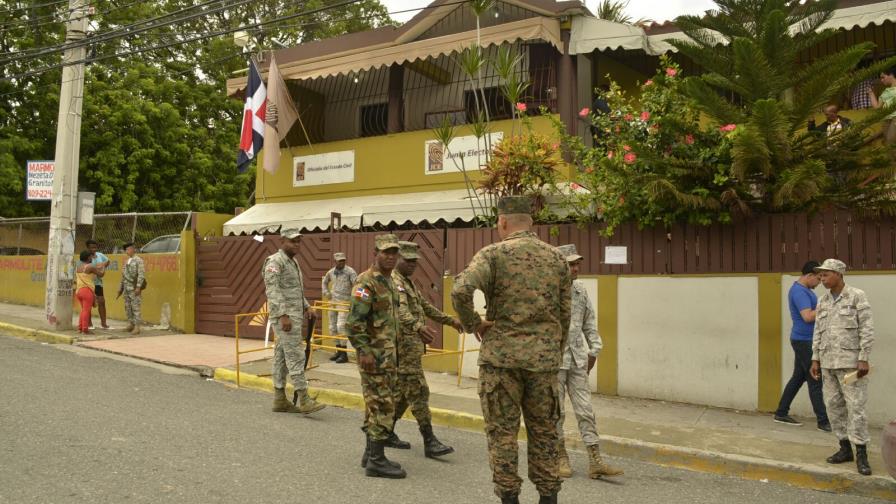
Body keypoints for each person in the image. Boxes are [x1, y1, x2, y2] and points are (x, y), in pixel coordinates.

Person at [452, 196, 572, 504]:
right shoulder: (557, 259)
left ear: (503, 222)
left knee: (503, 435)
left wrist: (474, 324)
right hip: (543, 363)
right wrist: (552, 350)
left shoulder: (492, 255)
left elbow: (461, 290)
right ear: (531, 223)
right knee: (545, 433)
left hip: (501, 362)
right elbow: (564, 314)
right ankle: (548, 498)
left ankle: (509, 498)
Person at [553, 244, 623, 480]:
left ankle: (595, 460)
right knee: (556, 412)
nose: (576, 268)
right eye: (571, 264)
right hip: (553, 363)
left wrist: (594, 351)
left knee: (586, 411)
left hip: (577, 361)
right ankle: (560, 457)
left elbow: (589, 323)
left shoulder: (581, 291)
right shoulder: (548, 292)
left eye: (577, 264)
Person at [390, 240, 462, 458]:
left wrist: (450, 320)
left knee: (403, 394)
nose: (412, 265)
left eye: (415, 261)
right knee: (420, 391)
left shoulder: (407, 282)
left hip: (411, 348)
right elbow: (401, 311)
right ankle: (429, 441)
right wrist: (418, 326)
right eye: (408, 260)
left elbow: (425, 306)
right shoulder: (395, 283)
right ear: (397, 259)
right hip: (403, 348)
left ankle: (383, 431)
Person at [346, 233, 406, 479]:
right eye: (385, 252)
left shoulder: (389, 281)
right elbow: (353, 323)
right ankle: (377, 461)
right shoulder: (366, 282)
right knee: (382, 405)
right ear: (376, 254)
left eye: (394, 252)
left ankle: (370, 454)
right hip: (375, 357)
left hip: (388, 356)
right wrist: (364, 351)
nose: (390, 257)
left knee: (376, 405)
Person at [810, 259, 874, 476]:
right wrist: (815, 359)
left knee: (856, 408)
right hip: (828, 364)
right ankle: (844, 448)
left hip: (851, 365)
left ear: (838, 274)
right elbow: (818, 330)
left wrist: (864, 358)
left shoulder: (857, 296)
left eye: (825, 274)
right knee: (833, 407)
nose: (821, 278)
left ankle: (862, 454)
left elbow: (867, 328)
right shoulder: (823, 300)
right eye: (819, 275)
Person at [262, 228, 326, 415]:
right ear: (282, 241)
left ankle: (279, 399)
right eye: (292, 241)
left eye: (298, 241)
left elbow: (294, 290)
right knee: (296, 356)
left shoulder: (293, 261)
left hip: (294, 315)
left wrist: (307, 307)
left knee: (281, 358)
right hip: (286, 318)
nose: (296, 245)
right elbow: (272, 290)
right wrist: (283, 315)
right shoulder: (275, 261)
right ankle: (304, 399)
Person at [773, 261, 830, 431]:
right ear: (809, 275)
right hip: (804, 340)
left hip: (804, 339)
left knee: (798, 377)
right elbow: (807, 316)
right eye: (818, 279)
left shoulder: (803, 290)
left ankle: (781, 412)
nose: (820, 282)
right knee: (815, 379)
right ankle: (823, 421)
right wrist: (826, 306)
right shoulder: (799, 292)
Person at [321, 252, 358, 363]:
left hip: (344, 301)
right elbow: (324, 282)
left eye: (343, 260)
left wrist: (354, 298)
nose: (342, 262)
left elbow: (356, 284)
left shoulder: (350, 272)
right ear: (335, 261)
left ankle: (344, 353)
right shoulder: (331, 272)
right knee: (332, 327)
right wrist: (326, 292)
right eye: (339, 261)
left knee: (341, 326)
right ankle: (338, 350)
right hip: (333, 301)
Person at [75, 250, 105, 335]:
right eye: (91, 256)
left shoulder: (78, 267)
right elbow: (101, 274)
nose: (92, 258)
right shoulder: (90, 267)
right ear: (88, 258)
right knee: (86, 311)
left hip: (79, 290)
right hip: (87, 290)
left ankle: (80, 328)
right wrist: (103, 267)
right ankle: (85, 329)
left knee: (83, 310)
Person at [118, 242, 145, 335]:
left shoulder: (139, 260)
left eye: (128, 249)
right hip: (126, 288)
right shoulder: (127, 261)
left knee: (135, 307)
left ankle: (137, 327)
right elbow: (123, 275)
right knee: (128, 307)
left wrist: (138, 287)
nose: (127, 251)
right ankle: (131, 324)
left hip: (133, 288)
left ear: (133, 249)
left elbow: (141, 275)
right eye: (126, 249)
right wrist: (120, 288)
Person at [86, 239, 110, 329]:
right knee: (88, 303)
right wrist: (99, 269)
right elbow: (96, 271)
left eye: (95, 247)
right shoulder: (87, 257)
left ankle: (104, 323)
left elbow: (108, 261)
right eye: (91, 248)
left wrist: (103, 264)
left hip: (98, 283)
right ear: (88, 248)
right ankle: (89, 323)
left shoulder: (100, 255)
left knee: (102, 302)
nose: (94, 249)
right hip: (89, 283)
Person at [869, 66, 896, 145]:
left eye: (883, 77)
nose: (881, 80)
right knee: (888, 144)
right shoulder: (885, 92)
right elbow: (877, 107)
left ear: (891, 75)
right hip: (886, 120)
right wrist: (871, 93)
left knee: (890, 142)